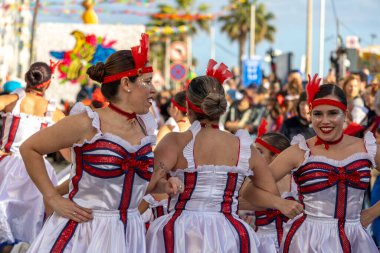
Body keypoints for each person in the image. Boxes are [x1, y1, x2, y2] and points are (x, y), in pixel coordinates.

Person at [20, 34, 179, 253]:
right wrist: (52, 197)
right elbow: (29, 148)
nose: (153, 90)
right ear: (126, 84)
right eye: (147, 82)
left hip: (129, 233)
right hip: (85, 234)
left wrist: (160, 186)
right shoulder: (87, 122)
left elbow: (124, 183)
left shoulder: (144, 125)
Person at [146, 59, 303, 253]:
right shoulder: (243, 147)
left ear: (188, 106)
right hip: (228, 234)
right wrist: (234, 196)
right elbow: (269, 193)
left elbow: (146, 184)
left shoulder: (175, 142)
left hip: (182, 232)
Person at [262, 74, 380, 252]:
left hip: (356, 240)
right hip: (309, 242)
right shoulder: (300, 151)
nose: (325, 121)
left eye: (333, 113)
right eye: (318, 114)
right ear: (310, 115)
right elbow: (248, 190)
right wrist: (279, 203)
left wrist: (372, 212)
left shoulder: (367, 148)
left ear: (345, 114)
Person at [0, 61, 65, 253]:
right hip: (38, 171)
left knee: (4, 211)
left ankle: (8, 247)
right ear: (48, 83)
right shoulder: (55, 112)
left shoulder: (11, 100)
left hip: (7, 164)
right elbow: (69, 149)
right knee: (33, 217)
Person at [239, 119, 297, 253]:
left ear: (277, 156)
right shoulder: (250, 183)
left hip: (293, 242)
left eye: (259, 152)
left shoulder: (296, 183)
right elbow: (238, 204)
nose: (253, 156)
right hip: (261, 244)